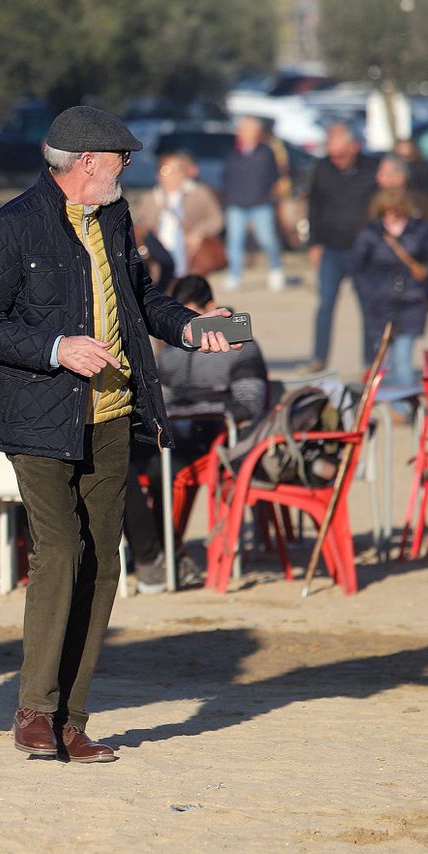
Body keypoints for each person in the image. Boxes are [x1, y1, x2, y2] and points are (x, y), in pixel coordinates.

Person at [0, 105, 238, 763]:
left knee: (104, 560)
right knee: (61, 550)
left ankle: (72, 719)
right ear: (85, 163)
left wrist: (191, 326)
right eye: (121, 159)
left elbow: (140, 304)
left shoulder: (113, 219)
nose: (129, 168)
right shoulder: (7, 229)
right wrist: (57, 347)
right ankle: (34, 709)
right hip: (36, 417)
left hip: (113, 414)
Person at [126, 275, 268, 594]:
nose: (188, 325)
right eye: (181, 315)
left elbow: (250, 402)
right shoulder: (172, 348)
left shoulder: (240, 346)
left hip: (214, 439)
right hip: (175, 435)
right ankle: (151, 556)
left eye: (193, 315)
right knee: (119, 462)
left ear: (210, 308)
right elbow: (161, 395)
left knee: (166, 473)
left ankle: (162, 555)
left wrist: (194, 408)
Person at [350, 188, 428, 399]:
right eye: (387, 212)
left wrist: (425, 288)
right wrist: (368, 293)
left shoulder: (420, 230)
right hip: (380, 304)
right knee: (383, 360)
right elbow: (357, 268)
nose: (392, 216)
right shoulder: (371, 233)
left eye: (397, 212)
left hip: (412, 302)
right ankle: (391, 404)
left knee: (402, 359)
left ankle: (402, 407)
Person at [304, 121, 379, 373]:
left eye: (341, 153)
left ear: (354, 146)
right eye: (331, 152)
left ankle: (370, 362)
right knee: (325, 305)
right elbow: (313, 206)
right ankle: (319, 358)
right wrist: (313, 243)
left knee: (368, 306)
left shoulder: (372, 169)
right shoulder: (322, 168)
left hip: (364, 250)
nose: (335, 158)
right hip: (330, 248)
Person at [134, 151, 223, 280]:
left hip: (190, 257)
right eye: (166, 171)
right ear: (158, 175)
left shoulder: (198, 193)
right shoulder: (150, 199)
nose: (172, 175)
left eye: (177, 170)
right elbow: (141, 226)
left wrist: (199, 233)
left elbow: (216, 219)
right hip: (159, 259)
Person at [221, 116, 286, 291]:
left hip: (260, 204)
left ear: (256, 132)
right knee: (234, 242)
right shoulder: (232, 152)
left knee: (267, 239)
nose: (241, 131)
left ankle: (275, 269)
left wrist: (264, 196)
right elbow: (227, 178)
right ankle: (235, 275)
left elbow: (273, 177)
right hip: (236, 204)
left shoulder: (266, 152)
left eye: (245, 128)